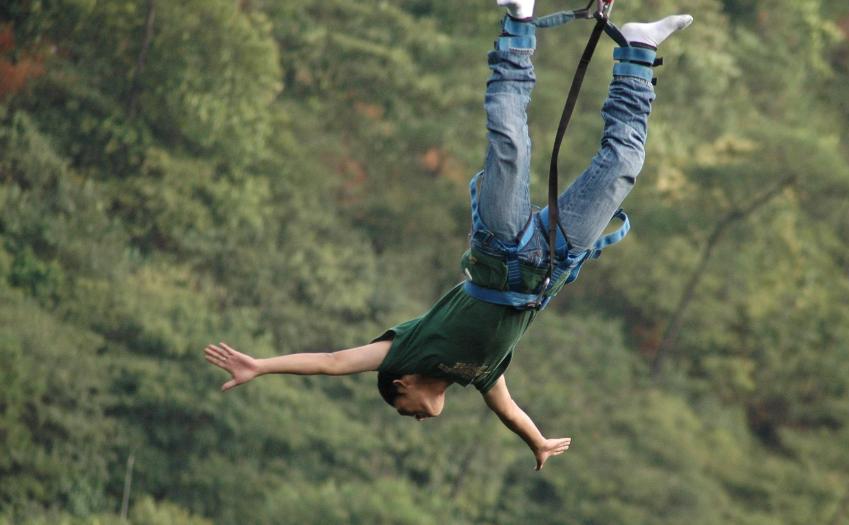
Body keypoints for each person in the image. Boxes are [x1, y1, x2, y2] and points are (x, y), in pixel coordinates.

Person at [204, 1, 692, 471]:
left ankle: (518, 22)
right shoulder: (482, 375)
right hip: (553, 262)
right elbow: (511, 414)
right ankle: (637, 51)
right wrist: (538, 442)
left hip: (500, 249)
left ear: (402, 383)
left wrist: (261, 365)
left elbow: (332, 361)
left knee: (510, 145)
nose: (416, 418)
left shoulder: (405, 351)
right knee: (623, 166)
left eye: (405, 411)